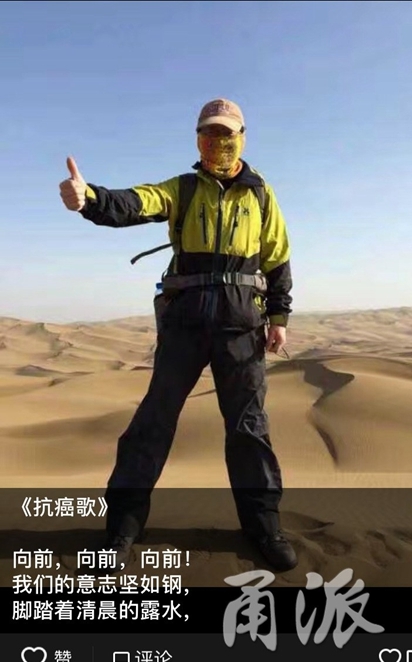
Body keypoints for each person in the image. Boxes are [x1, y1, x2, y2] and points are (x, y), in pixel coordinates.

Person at [59, 98, 297, 573]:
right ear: (198, 138)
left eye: (225, 132)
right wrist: (91, 199)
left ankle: (263, 526)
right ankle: (123, 528)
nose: (217, 141)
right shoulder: (182, 189)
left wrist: (279, 318)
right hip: (185, 324)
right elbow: (137, 202)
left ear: (242, 136)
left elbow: (277, 258)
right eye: (209, 133)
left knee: (249, 429)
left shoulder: (261, 195)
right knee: (153, 422)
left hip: (241, 327)